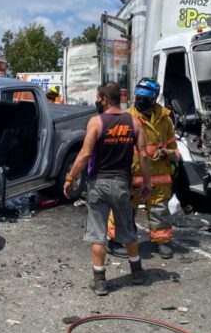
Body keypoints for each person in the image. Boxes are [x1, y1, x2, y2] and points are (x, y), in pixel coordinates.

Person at [63, 82, 151, 296]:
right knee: (128, 229)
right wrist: (147, 183)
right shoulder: (135, 122)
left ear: (103, 98)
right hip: (122, 183)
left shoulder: (96, 122)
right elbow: (144, 155)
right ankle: (137, 272)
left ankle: (100, 281)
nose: (97, 101)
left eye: (98, 97)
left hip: (98, 184)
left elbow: (84, 155)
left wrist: (70, 178)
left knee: (98, 233)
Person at [108, 78, 179, 258]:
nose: (140, 101)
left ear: (154, 99)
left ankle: (161, 241)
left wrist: (166, 153)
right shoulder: (126, 118)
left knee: (159, 210)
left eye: (144, 99)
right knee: (123, 210)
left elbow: (174, 149)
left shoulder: (165, 120)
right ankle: (115, 241)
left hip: (159, 176)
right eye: (138, 97)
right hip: (132, 175)